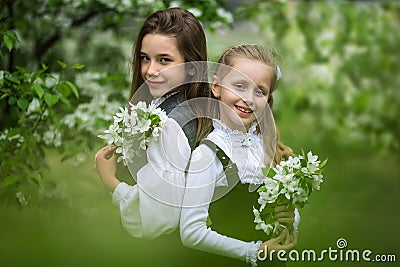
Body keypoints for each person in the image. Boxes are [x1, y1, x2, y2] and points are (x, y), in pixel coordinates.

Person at [94, 7, 209, 240]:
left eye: (164, 60)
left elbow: (157, 219)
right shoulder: (189, 106)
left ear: (192, 67)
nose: (149, 70)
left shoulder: (170, 125)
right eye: (145, 58)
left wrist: (111, 182)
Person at [180, 44, 299, 266]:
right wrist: (252, 251)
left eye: (260, 91)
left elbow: (279, 211)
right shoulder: (208, 155)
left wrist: (291, 219)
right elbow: (191, 232)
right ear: (216, 86)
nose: (249, 99)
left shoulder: (265, 148)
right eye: (240, 86)